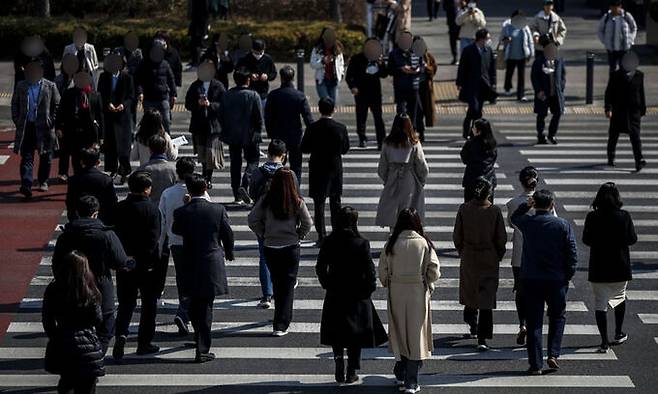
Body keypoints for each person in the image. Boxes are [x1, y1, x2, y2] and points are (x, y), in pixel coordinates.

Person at [52, 195, 133, 354]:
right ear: (96, 213)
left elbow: (56, 263)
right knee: (106, 322)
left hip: (72, 284)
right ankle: (97, 355)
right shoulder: (106, 234)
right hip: (101, 282)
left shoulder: (66, 235)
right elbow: (119, 261)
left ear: (77, 212)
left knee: (74, 322)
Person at [316, 206, 387, 384]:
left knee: (337, 329)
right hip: (357, 293)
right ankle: (351, 369)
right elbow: (370, 271)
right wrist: (368, 290)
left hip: (335, 292)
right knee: (355, 333)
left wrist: (327, 283)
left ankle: (338, 358)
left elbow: (320, 267)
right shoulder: (361, 243)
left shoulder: (329, 241)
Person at [511, 189, 577, 375]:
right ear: (552, 205)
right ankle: (553, 354)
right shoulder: (563, 225)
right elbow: (572, 253)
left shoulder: (528, 223)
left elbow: (515, 217)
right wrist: (568, 275)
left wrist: (526, 205)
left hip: (531, 279)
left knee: (534, 323)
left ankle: (535, 364)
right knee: (557, 316)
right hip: (556, 279)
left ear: (535, 204)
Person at [172, 173, 235, 362]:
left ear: (189, 191)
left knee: (192, 302)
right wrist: (229, 252)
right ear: (205, 189)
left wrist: (186, 205)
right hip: (211, 261)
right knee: (206, 306)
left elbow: (176, 230)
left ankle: (199, 337)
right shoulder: (217, 209)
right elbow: (227, 233)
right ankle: (202, 347)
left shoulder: (182, 211)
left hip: (189, 261)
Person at [379, 208, 440, 393]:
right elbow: (434, 270)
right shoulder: (423, 243)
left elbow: (382, 270)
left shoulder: (391, 243)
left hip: (397, 290)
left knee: (399, 332)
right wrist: (428, 282)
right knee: (416, 335)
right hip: (417, 291)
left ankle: (400, 370)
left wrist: (388, 281)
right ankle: (411, 381)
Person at [247, 169, 312, 336]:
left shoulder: (266, 200)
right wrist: (299, 235)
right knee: (288, 285)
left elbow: (252, 219)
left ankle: (279, 318)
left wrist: (263, 232)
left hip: (270, 246)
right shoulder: (297, 201)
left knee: (277, 282)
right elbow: (307, 222)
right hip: (290, 246)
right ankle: (281, 323)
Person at [111, 171, 162, 360]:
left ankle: (121, 334)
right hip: (146, 265)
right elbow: (153, 240)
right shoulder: (152, 209)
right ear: (147, 189)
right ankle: (144, 343)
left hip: (125, 262)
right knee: (149, 305)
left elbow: (113, 236)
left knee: (126, 303)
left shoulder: (119, 208)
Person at [453, 177, 507, 351]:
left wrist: (463, 251)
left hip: (469, 255)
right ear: (489, 192)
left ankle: (471, 322)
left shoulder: (464, 209)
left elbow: (457, 236)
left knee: (470, 290)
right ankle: (482, 338)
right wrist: (498, 254)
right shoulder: (494, 211)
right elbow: (501, 238)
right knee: (486, 297)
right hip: (488, 256)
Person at [583, 182, 637, 353]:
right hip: (620, 266)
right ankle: (618, 332)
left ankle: (604, 341)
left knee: (601, 304)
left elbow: (586, 240)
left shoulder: (592, 217)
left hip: (599, 266)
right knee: (619, 298)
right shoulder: (624, 216)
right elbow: (632, 239)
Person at [505, 166, 556, 346]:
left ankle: (522, 324)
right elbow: (554, 223)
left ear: (521, 181)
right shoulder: (545, 201)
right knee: (539, 291)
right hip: (542, 255)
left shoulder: (512, 203)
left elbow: (511, 224)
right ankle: (535, 325)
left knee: (520, 289)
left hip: (520, 254)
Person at [159, 158, 209, 335]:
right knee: (196, 280)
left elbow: (163, 221)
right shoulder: (199, 191)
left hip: (175, 243)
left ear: (177, 172)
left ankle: (184, 312)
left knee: (182, 279)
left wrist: (161, 244)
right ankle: (184, 313)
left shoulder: (167, 193)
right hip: (196, 243)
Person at [42, 251, 105, 394]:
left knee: (66, 381)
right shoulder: (89, 290)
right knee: (87, 386)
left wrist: (56, 336)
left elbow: (47, 320)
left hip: (64, 341)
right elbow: (98, 319)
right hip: (87, 342)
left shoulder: (54, 289)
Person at [247, 140, 291, 309]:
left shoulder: (258, 172)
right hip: (284, 219)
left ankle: (267, 295)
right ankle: (283, 291)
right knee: (285, 258)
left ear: (268, 152)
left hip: (264, 220)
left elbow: (252, 194)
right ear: (284, 154)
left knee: (264, 257)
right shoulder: (288, 173)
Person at [301, 97, 350, 245]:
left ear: (319, 109)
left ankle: (321, 236)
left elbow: (304, 148)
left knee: (319, 203)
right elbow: (345, 149)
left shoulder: (312, 127)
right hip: (335, 167)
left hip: (317, 167)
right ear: (333, 109)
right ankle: (337, 233)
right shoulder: (341, 128)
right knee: (336, 202)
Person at [11, 58, 59, 198]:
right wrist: (17, 120)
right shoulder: (21, 86)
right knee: (27, 157)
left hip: (44, 127)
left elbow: (57, 105)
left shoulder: (50, 86)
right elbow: (14, 104)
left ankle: (43, 181)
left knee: (46, 157)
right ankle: (26, 184)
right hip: (28, 127)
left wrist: (52, 120)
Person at [375, 114, 429, 228]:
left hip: (392, 178)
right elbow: (422, 166)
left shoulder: (387, 143)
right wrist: (421, 181)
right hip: (409, 179)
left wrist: (387, 179)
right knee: (408, 209)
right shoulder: (414, 143)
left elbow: (381, 168)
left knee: (393, 210)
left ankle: (392, 234)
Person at [221, 68, 264, 204]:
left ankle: (236, 194)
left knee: (235, 163)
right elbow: (259, 118)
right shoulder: (253, 95)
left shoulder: (227, 95)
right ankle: (246, 181)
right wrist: (258, 132)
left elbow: (221, 115)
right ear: (248, 80)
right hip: (250, 134)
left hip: (232, 134)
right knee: (253, 160)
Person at [265, 65, 314, 183]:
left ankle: (277, 188)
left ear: (281, 78)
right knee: (296, 166)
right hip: (295, 135)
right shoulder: (299, 95)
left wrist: (270, 132)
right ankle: (295, 190)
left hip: (278, 135)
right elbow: (308, 118)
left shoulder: (273, 95)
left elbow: (268, 117)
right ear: (293, 78)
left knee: (277, 165)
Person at [185, 59, 227, 186]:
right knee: (202, 152)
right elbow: (188, 104)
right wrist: (198, 104)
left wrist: (210, 105)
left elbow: (224, 104)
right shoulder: (195, 86)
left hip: (214, 125)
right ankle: (204, 174)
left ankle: (208, 177)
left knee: (211, 153)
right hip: (199, 124)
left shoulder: (218, 85)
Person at [55, 71, 104, 176]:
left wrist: (101, 135)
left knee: (87, 155)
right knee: (75, 157)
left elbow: (100, 117)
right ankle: (75, 175)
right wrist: (58, 127)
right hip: (72, 130)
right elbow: (61, 111)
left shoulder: (95, 95)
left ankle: (84, 175)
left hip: (89, 131)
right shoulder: (68, 93)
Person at [605, 51, 647, 172]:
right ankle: (611, 156)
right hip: (619, 111)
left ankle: (639, 160)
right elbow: (609, 93)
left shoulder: (639, 75)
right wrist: (608, 108)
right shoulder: (615, 75)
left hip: (634, 112)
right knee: (613, 136)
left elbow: (641, 92)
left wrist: (643, 109)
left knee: (635, 137)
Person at [98, 51, 135, 184]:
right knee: (111, 145)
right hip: (109, 115)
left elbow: (131, 96)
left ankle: (125, 170)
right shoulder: (103, 77)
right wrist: (107, 103)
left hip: (122, 116)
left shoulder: (127, 77)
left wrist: (123, 105)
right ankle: (112, 170)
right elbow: (100, 93)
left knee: (124, 146)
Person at [345, 37, 388, 149]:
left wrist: (381, 64)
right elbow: (349, 76)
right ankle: (362, 137)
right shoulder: (357, 59)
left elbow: (384, 74)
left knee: (378, 117)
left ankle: (381, 140)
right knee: (361, 116)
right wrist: (353, 87)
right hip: (361, 92)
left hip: (375, 92)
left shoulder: (378, 60)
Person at [456, 28, 497, 140]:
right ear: (481, 39)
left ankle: (474, 131)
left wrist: (493, 83)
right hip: (471, 85)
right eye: (487, 39)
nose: (489, 41)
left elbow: (492, 69)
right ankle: (466, 130)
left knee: (478, 112)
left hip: (483, 85)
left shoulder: (488, 51)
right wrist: (459, 82)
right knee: (473, 108)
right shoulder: (468, 50)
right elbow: (462, 67)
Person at [65, 146, 117, 224]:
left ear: (81, 162)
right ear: (98, 162)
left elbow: (70, 202)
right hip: (101, 219)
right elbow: (112, 201)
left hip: (79, 219)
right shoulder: (106, 180)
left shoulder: (74, 179)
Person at [388, 31, 424, 139]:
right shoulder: (394, 54)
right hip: (400, 86)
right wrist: (401, 69)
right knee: (401, 111)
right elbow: (390, 70)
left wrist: (417, 70)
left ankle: (414, 132)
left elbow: (422, 67)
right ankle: (401, 132)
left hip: (414, 86)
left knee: (415, 111)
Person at [135, 43, 177, 134]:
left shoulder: (165, 64)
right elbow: (138, 80)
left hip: (163, 97)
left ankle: (166, 140)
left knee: (166, 120)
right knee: (150, 122)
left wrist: (174, 94)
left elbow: (171, 79)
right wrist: (140, 92)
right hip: (149, 98)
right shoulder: (144, 64)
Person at [531, 42, 565, 145]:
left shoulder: (559, 61)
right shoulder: (539, 61)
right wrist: (538, 90)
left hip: (555, 93)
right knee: (541, 114)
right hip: (543, 93)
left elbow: (562, 76)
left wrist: (561, 87)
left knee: (558, 113)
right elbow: (534, 77)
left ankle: (552, 134)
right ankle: (541, 135)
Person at [500, 10, 534, 101]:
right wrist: (506, 40)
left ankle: (521, 94)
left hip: (522, 55)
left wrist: (531, 53)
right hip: (510, 55)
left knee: (521, 76)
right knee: (509, 72)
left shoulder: (525, 27)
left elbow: (530, 41)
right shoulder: (507, 26)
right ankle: (507, 88)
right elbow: (501, 39)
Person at [460, 118, 497, 203]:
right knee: (487, 208)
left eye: (474, 128)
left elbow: (464, 159)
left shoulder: (470, 144)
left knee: (470, 208)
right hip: (489, 179)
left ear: (478, 131)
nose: (472, 129)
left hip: (472, 180)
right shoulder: (492, 143)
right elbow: (493, 159)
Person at [598, 0, 637, 74]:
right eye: (613, 7)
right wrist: (605, 41)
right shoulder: (606, 17)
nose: (615, 9)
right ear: (610, 7)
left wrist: (631, 39)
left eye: (616, 7)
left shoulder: (626, 16)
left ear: (620, 7)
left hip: (624, 48)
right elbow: (600, 30)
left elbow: (634, 28)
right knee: (612, 69)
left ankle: (623, 85)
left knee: (624, 69)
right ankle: (612, 84)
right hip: (611, 49)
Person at [137, 135, 178, 204]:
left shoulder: (142, 170)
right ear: (165, 149)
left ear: (150, 149)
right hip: (168, 207)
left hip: (149, 209)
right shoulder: (174, 169)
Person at [236, 39, 277, 107]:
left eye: (261, 53)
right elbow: (238, 72)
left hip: (263, 93)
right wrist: (249, 75)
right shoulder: (245, 58)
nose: (258, 55)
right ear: (252, 50)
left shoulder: (268, 59)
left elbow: (274, 73)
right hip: (248, 92)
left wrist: (267, 76)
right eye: (256, 53)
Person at [310, 27, 345, 103]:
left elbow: (341, 63)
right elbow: (312, 64)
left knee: (332, 104)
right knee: (326, 103)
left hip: (334, 80)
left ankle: (329, 115)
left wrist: (341, 73)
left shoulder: (337, 48)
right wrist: (323, 62)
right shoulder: (318, 49)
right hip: (322, 80)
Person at [414, 36, 438, 130]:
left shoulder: (427, 56)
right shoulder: (409, 55)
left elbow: (433, 69)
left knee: (425, 109)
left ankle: (420, 130)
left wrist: (426, 67)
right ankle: (419, 130)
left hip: (425, 86)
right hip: (413, 86)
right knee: (418, 110)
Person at [188, 0, 210, 68]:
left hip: (200, 24)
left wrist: (205, 27)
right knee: (194, 43)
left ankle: (197, 61)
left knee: (198, 44)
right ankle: (194, 60)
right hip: (196, 23)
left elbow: (206, 12)